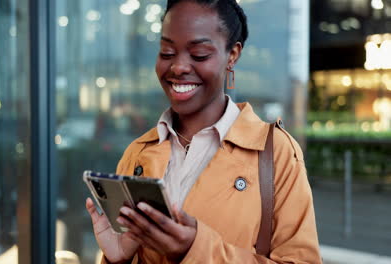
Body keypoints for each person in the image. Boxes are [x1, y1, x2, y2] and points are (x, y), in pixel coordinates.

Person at [86, 0, 322, 263]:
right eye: (166, 52)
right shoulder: (138, 152)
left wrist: (193, 250)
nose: (178, 67)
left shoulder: (275, 151)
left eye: (199, 54)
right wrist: (116, 259)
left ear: (232, 55)